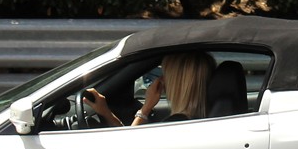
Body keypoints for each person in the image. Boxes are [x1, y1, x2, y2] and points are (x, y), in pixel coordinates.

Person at [82, 51, 214, 126]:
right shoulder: (206, 115)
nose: (162, 78)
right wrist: (106, 114)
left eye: (167, 74)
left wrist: (146, 107)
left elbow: (127, 148)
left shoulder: (177, 124)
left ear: (177, 82)